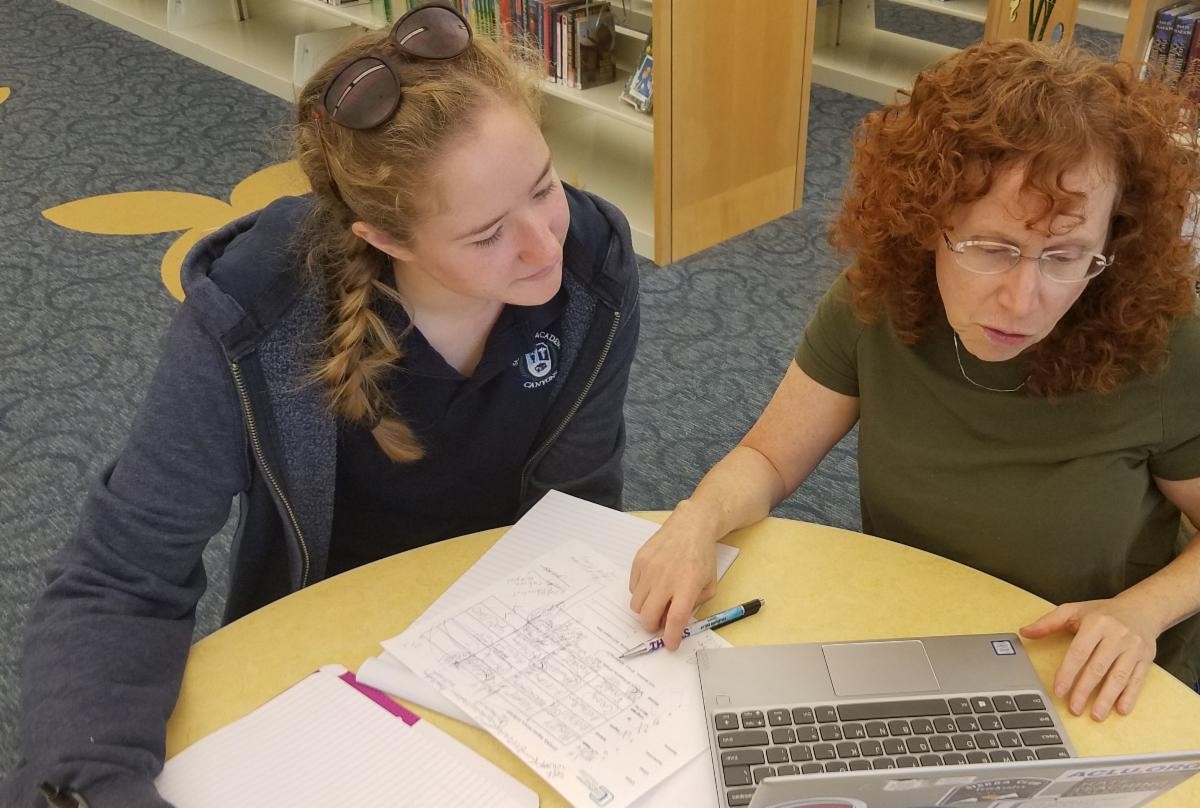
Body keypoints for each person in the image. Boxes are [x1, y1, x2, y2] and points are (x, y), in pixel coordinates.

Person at [3, 6, 639, 807]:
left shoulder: (592, 268)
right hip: (317, 657)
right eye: (485, 236)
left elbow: (579, 500)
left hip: (505, 649)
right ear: (390, 240)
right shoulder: (253, 316)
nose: (546, 246)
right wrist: (90, 785)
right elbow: (121, 575)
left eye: (546, 186)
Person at [629, 39, 1200, 724]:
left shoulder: (1161, 344)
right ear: (929, 223)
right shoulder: (879, 300)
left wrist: (1141, 612)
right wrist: (697, 518)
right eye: (993, 249)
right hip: (917, 638)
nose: (1024, 299)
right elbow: (769, 458)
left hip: (1087, 672)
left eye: (1066, 256)